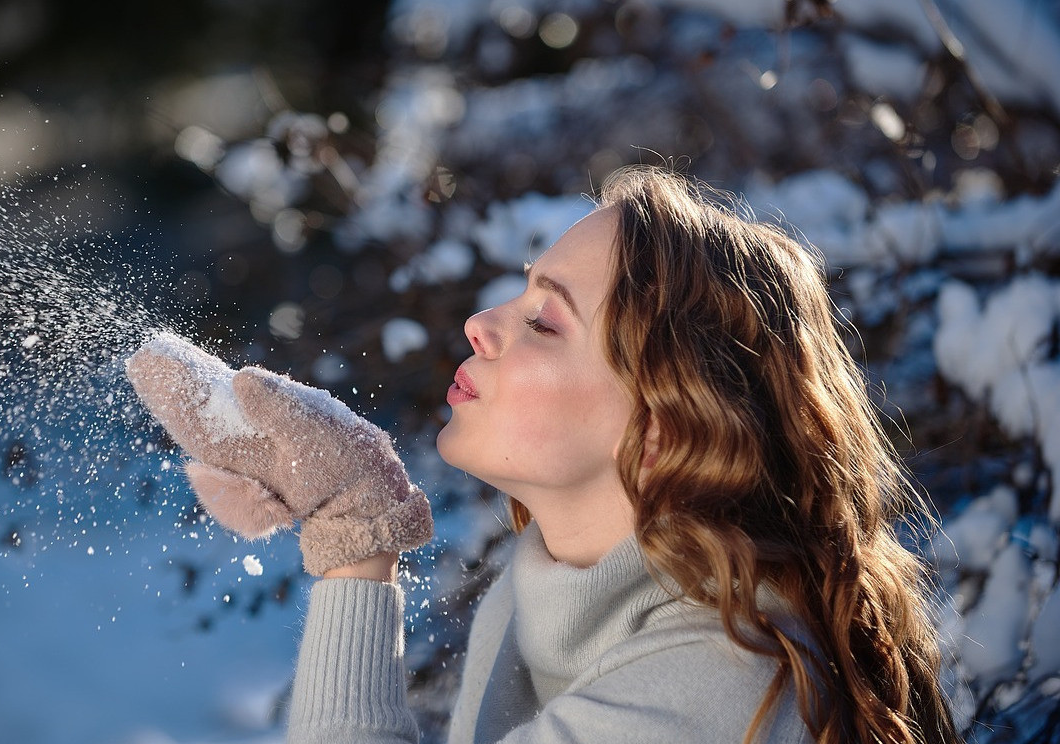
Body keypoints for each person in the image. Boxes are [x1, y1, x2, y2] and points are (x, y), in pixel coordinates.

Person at [126, 165, 961, 743]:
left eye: (545, 321)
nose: (481, 324)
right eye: (522, 292)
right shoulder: (553, 597)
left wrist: (355, 534)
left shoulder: (717, 684)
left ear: (663, 425)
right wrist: (356, 523)